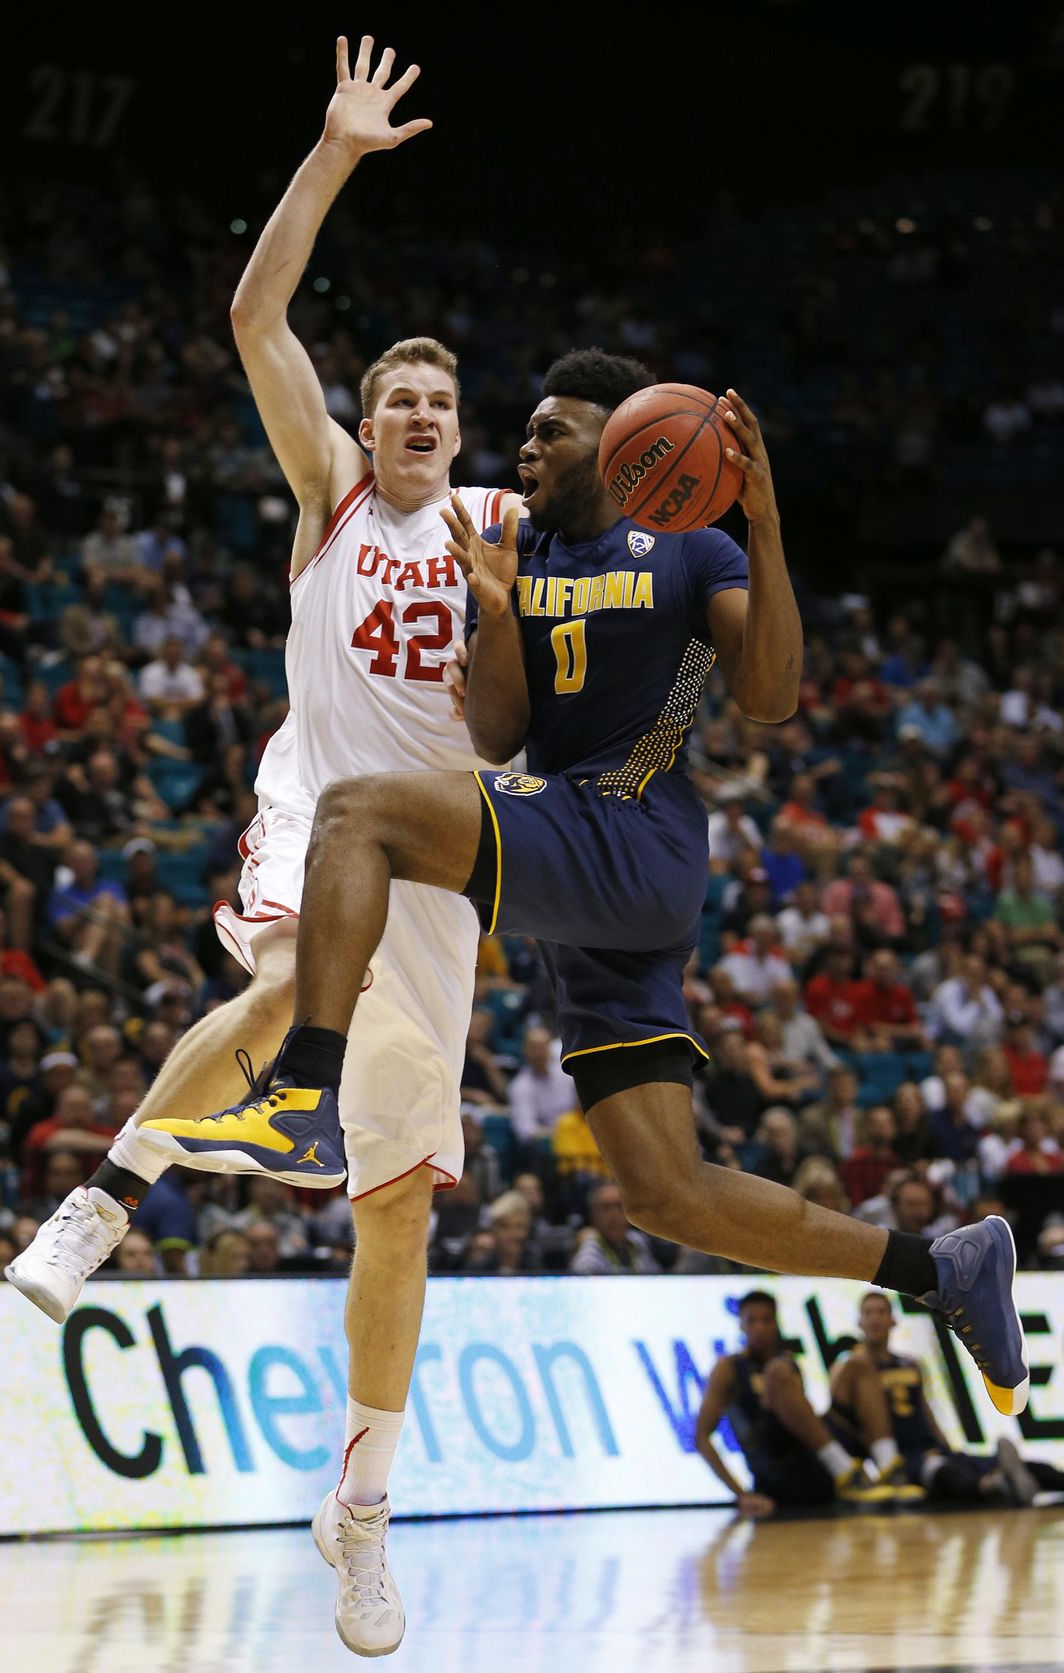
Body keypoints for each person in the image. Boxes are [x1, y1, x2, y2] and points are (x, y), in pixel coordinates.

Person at [150, 346, 1029, 1437]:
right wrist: (500, 611)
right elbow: (503, 732)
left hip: (631, 835)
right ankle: (943, 1265)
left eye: (549, 430)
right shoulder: (520, 547)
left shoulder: (692, 548)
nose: (522, 446)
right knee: (666, 1192)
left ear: (624, 446)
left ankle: (307, 1094)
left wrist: (766, 522)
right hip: (579, 870)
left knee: (356, 812)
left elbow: (771, 695)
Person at [7, 38, 519, 1660]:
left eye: (439, 403)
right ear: (369, 426)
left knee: (395, 1208)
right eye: (398, 401)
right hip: (320, 802)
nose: (418, 418)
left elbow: (563, 690)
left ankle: (361, 1509)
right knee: (298, 967)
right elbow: (252, 318)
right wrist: (333, 156)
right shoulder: (333, 493)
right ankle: (114, 1186)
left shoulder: (501, 530)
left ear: (466, 426)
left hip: (442, 865)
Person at [828, 1293, 1064, 1506]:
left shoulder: (910, 1364)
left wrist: (944, 1445)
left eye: (881, 1312)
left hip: (930, 1446)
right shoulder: (852, 1368)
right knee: (945, 1474)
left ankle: (1012, 1479)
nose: (875, 1319)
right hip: (903, 1458)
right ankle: (991, 1486)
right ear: (859, 1322)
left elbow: (925, 1411)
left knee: (1007, 1465)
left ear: (893, 1320)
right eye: (868, 1313)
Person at [694, 1290, 914, 1515]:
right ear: (741, 1325)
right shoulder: (729, 1368)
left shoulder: (790, 1361)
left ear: (777, 1322)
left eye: (766, 1320)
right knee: (777, 1371)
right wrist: (741, 1495)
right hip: (778, 1472)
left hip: (813, 1461)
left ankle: (888, 1467)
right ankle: (846, 1473)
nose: (759, 1327)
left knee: (860, 1365)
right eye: (752, 1321)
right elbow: (701, 1437)